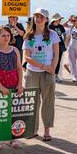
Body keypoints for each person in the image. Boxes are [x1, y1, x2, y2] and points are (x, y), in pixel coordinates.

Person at [23, 8, 60, 142]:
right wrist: (44, 66)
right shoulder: (28, 36)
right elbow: (26, 57)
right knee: (32, 102)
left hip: (48, 74)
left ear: (46, 19)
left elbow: (57, 54)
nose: (38, 19)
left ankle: (47, 129)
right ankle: (32, 130)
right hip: (32, 73)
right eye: (36, 16)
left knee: (48, 102)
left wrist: (52, 69)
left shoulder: (53, 34)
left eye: (41, 17)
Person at [0, 25, 24, 150]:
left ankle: (11, 138)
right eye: (3, 35)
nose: (6, 38)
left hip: (13, 83)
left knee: (13, 112)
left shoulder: (15, 50)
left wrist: (20, 84)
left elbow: (19, 68)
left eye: (8, 35)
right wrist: (1, 87)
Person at [49, 13, 67, 82]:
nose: (60, 20)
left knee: (58, 61)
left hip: (60, 45)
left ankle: (56, 76)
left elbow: (64, 34)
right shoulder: (50, 27)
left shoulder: (61, 26)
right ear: (55, 20)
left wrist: (64, 42)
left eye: (60, 19)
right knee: (51, 60)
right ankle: (51, 75)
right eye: (59, 19)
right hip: (52, 46)